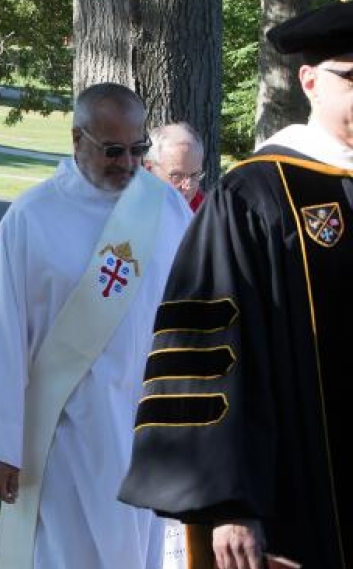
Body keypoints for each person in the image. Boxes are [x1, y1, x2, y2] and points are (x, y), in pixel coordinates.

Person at [119, 4, 353, 568]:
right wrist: (228, 503)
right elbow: (204, 353)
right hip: (300, 497)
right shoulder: (255, 195)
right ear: (310, 80)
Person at [0, 83, 193, 569]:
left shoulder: (165, 210)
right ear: (76, 139)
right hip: (63, 437)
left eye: (137, 148)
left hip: (147, 429)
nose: (127, 163)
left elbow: (197, 312)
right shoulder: (32, 217)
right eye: (112, 150)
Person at [143, 122, 206, 212]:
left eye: (194, 175)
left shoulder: (203, 209)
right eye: (177, 176)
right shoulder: (128, 213)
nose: (188, 186)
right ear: (149, 170)